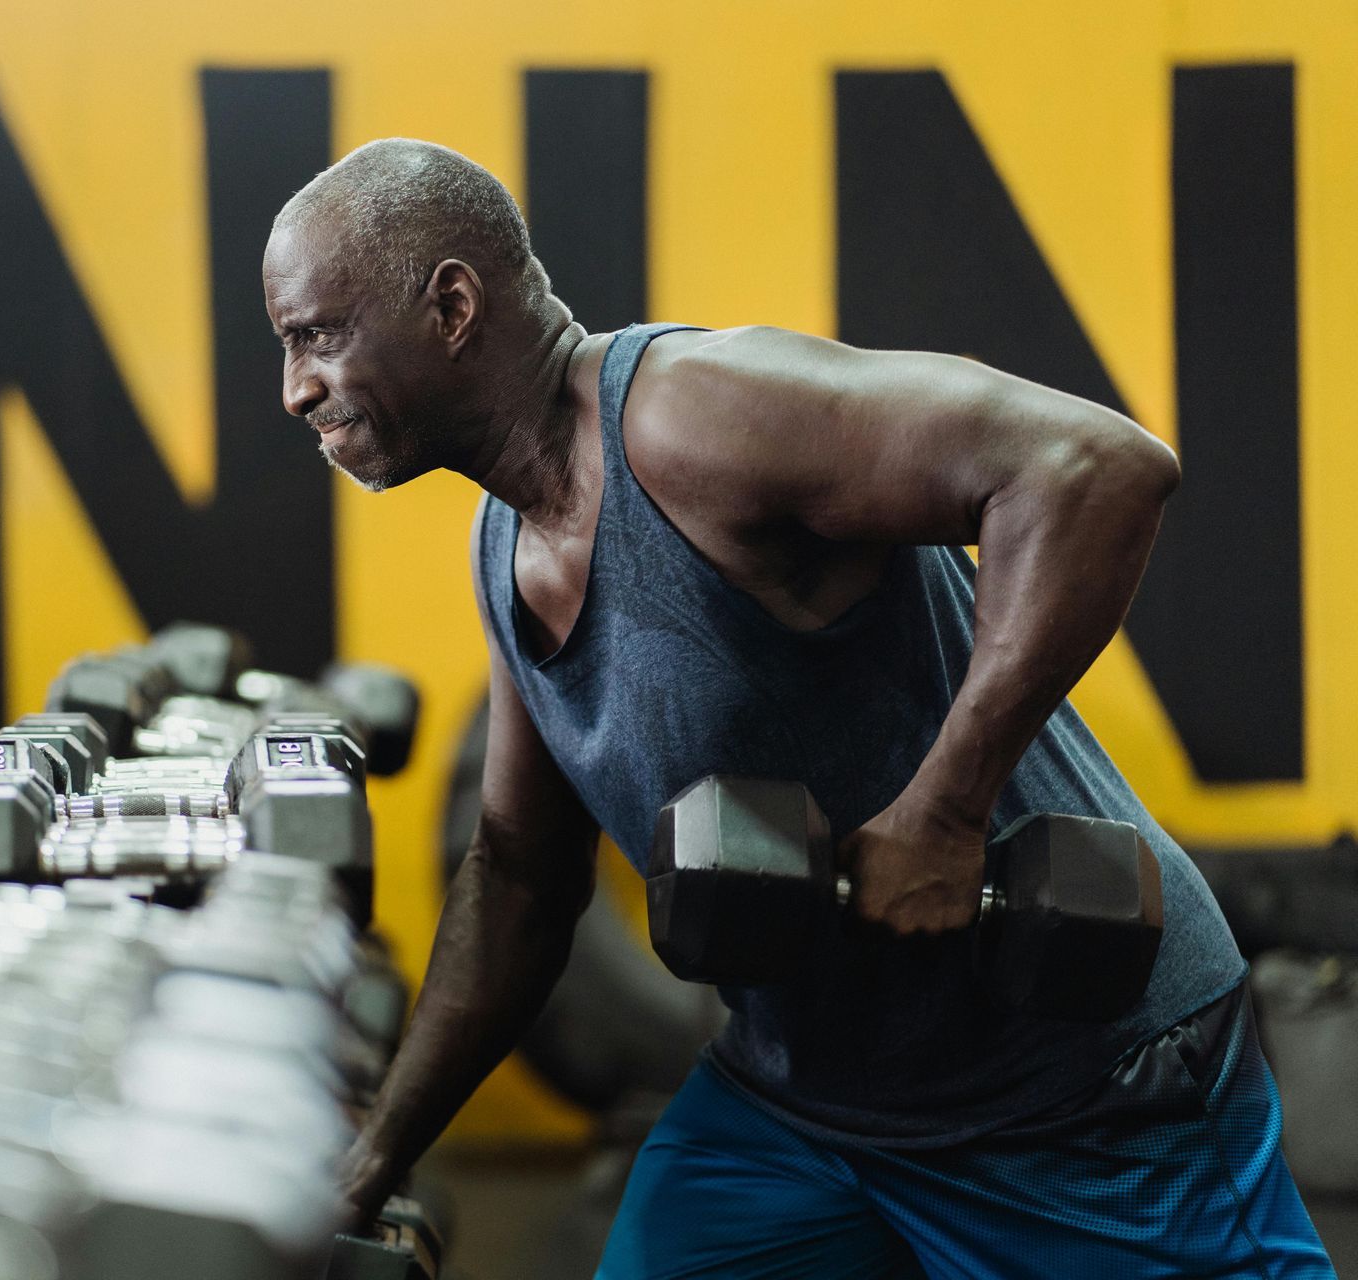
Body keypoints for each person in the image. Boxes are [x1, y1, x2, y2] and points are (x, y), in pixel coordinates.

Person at [263, 137, 1333, 1277]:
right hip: (808, 1107)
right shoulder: (506, 544)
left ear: (454, 305)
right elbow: (523, 877)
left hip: (1080, 1096)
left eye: (315, 335)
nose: (295, 388)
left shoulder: (697, 418)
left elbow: (1094, 466)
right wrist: (370, 1155)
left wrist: (945, 808)